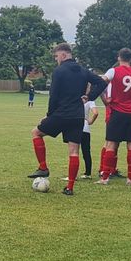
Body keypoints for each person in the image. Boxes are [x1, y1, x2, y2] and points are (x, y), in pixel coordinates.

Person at [29, 43, 104, 195]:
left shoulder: (59, 71)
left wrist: (50, 114)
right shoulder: (83, 70)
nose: (56, 59)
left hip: (61, 114)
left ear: (63, 55)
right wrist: (89, 97)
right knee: (74, 151)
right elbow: (102, 83)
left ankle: (43, 167)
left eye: (56, 56)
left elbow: (54, 96)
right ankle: (69, 187)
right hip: (77, 116)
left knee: (36, 133)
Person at [92, 48, 131, 185]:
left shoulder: (113, 71)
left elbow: (100, 82)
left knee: (111, 144)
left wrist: (104, 98)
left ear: (118, 58)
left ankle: (105, 178)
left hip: (116, 112)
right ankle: (130, 178)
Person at [80, 97, 98, 179]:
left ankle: (72, 175)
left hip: (75, 126)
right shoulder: (90, 100)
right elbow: (95, 113)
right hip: (85, 128)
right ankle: (88, 173)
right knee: (86, 151)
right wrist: (90, 121)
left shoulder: (74, 96)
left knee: (73, 151)